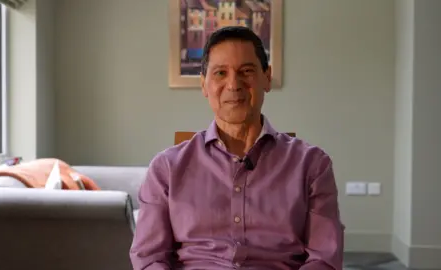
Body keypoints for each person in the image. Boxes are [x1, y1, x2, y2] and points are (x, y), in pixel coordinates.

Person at [130, 26, 344, 270]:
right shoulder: (166, 168)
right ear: (204, 85)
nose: (233, 84)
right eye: (220, 73)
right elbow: (149, 258)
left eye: (246, 71)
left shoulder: (312, 165)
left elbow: (324, 259)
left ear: (267, 77)